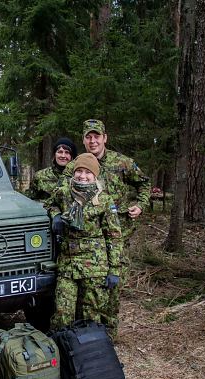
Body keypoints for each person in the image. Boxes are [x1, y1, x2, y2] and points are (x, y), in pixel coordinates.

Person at [64, 119, 151, 335]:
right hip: (88, 241)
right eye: (88, 137)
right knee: (86, 293)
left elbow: (144, 183)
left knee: (112, 288)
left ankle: (109, 335)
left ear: (105, 138)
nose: (92, 141)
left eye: (96, 136)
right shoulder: (76, 165)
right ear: (84, 140)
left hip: (115, 236)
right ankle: (84, 337)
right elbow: (62, 190)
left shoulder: (122, 163)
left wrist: (140, 205)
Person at [46, 153, 123, 333]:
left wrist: (114, 270)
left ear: (95, 175)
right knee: (62, 313)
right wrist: (55, 214)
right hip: (68, 265)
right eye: (79, 171)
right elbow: (50, 203)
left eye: (88, 172)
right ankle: (63, 352)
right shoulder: (64, 192)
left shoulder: (103, 200)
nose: (82, 176)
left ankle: (89, 353)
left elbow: (113, 236)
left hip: (94, 266)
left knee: (91, 314)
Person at [26, 137, 78, 203]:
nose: (63, 155)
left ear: (72, 156)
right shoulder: (40, 176)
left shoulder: (79, 176)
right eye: (60, 152)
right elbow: (28, 200)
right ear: (54, 155)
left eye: (67, 152)